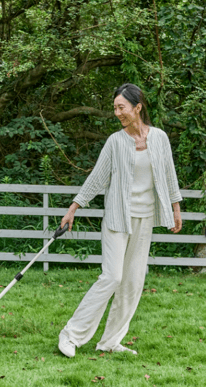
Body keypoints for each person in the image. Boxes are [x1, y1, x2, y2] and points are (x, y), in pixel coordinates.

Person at [58, 83, 182, 358]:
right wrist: (74, 207)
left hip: (145, 217)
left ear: (137, 107)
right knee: (112, 277)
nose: (117, 113)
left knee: (133, 281)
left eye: (121, 107)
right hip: (117, 218)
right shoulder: (115, 141)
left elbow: (169, 174)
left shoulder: (159, 138)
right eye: (114, 108)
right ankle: (71, 334)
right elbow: (97, 177)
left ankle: (110, 341)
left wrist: (176, 208)